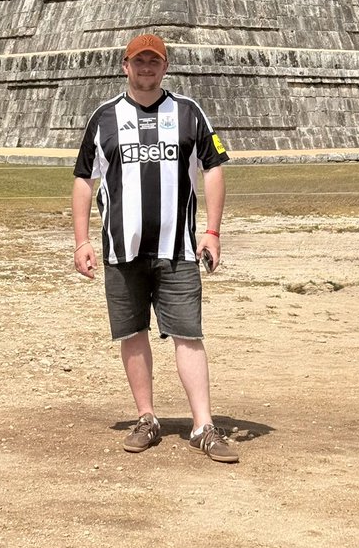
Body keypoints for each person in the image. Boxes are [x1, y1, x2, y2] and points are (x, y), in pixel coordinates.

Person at [72, 32, 238, 463]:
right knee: (132, 333)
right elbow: (83, 180)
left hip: (178, 249)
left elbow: (214, 168)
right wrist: (82, 240)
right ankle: (146, 417)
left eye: (154, 62)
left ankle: (203, 424)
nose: (146, 68)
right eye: (138, 61)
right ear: (125, 66)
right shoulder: (104, 117)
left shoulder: (187, 112)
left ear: (165, 67)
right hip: (120, 248)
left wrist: (213, 232)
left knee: (189, 334)